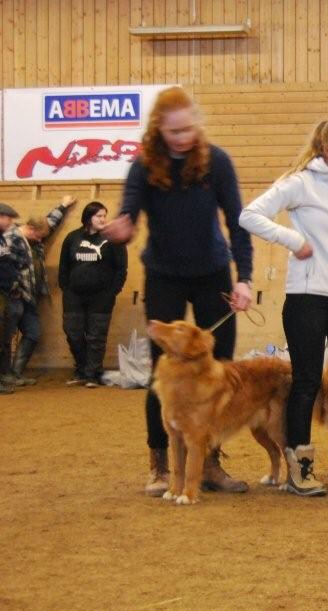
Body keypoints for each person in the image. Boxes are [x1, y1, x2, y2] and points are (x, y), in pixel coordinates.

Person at [102, 86, 254, 497]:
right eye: (174, 132)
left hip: (213, 273)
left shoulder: (217, 161)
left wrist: (244, 278)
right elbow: (129, 212)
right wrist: (122, 228)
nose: (183, 137)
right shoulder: (143, 165)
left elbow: (237, 223)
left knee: (219, 370)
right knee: (163, 372)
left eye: (188, 129)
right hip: (164, 274)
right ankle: (161, 465)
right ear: (158, 129)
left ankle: (210, 463)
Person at [239, 115, 328, 497]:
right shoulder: (299, 182)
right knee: (307, 381)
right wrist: (293, 241)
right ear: (327, 151)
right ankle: (299, 468)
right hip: (307, 296)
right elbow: (250, 215)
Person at [0, 197, 75, 387]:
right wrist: (12, 288)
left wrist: (63, 206)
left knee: (33, 332)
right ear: (31, 229)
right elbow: (6, 266)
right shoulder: (11, 239)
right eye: (39, 236)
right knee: (5, 337)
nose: (41, 240)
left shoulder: (32, 238)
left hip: (28, 297)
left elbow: (49, 222)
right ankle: (5, 375)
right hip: (13, 297)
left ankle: (15, 373)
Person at [57, 202, 128, 387]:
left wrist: (113, 291)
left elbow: (121, 269)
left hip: (101, 297)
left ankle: (92, 374)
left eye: (104, 215)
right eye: (99, 216)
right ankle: (81, 370)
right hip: (74, 295)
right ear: (88, 217)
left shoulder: (112, 239)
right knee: (73, 332)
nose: (103, 219)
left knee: (96, 336)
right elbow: (64, 265)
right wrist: (66, 287)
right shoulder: (72, 238)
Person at [0, 202, 27, 395]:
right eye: (7, 218)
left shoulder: (3, 239)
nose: (10, 222)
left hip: (4, 292)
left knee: (3, 337)